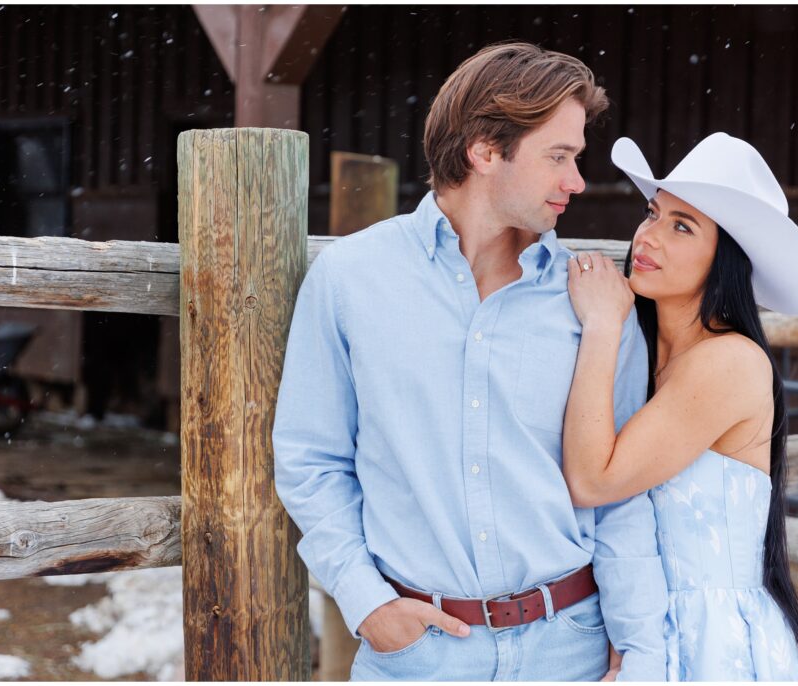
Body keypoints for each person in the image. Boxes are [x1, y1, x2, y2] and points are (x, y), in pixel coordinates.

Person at [273, 42, 668, 681]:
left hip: (572, 649)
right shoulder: (350, 279)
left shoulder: (595, 300)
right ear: (484, 151)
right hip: (417, 656)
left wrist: (638, 646)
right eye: (558, 157)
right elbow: (310, 459)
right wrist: (366, 602)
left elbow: (622, 493)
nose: (577, 181)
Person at [562, 132, 798, 681]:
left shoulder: (729, 362)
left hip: (711, 643)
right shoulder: (644, 352)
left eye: (682, 227)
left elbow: (591, 480)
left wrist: (603, 324)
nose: (648, 236)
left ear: (724, 259)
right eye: (652, 213)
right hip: (636, 627)